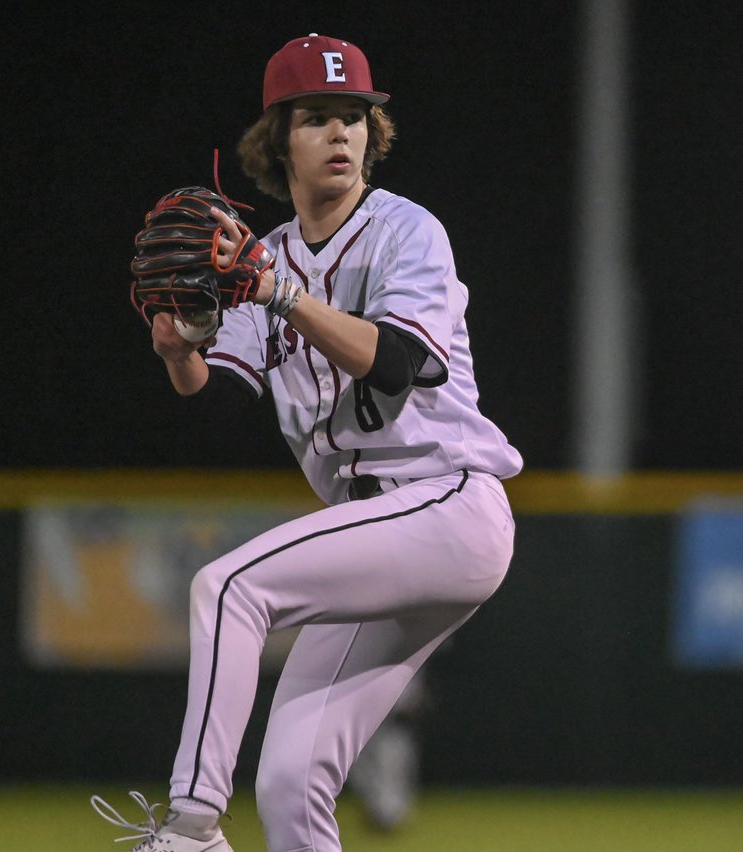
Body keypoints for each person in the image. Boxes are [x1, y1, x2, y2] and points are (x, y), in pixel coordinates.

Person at [93, 33, 522, 852]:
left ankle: (188, 828)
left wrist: (279, 292)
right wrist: (179, 350)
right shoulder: (269, 262)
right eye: (318, 117)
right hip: (381, 535)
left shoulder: (407, 232)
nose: (341, 134)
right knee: (292, 786)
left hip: (448, 504)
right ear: (276, 141)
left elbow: (394, 365)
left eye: (355, 117)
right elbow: (218, 393)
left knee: (228, 589)